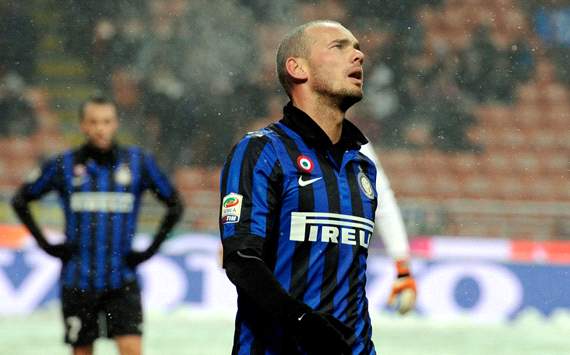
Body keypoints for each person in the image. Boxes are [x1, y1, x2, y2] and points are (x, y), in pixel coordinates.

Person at [220, 20, 377, 355]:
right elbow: (242, 260)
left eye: (357, 46)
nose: (359, 55)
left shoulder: (362, 168)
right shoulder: (262, 151)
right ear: (297, 68)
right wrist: (303, 323)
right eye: (340, 46)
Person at [11, 96, 184, 355]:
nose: (100, 128)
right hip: (77, 280)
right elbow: (21, 200)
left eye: (106, 121)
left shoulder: (138, 162)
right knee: (82, 352)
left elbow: (175, 204)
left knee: (131, 349)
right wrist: (45, 244)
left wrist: (151, 249)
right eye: (93, 122)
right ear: (82, 125)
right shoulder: (64, 165)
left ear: (115, 124)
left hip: (122, 280)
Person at [359, 142, 417, 314]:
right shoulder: (279, 141)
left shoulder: (356, 143)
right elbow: (383, 203)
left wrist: (403, 270)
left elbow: (382, 201)